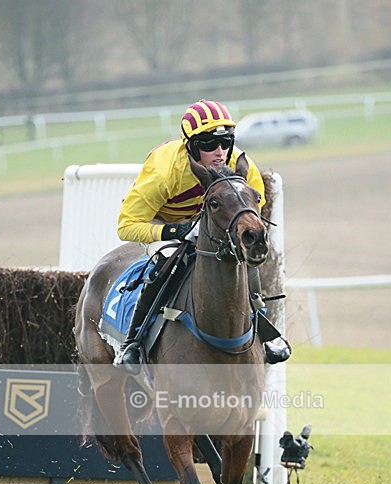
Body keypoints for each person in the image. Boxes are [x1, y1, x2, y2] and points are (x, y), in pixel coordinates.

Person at [116, 99, 291, 367]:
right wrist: (178, 230)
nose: (220, 152)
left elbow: (256, 204)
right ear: (191, 146)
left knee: (242, 258)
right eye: (208, 145)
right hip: (164, 222)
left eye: (226, 142)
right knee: (169, 261)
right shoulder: (164, 172)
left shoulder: (241, 164)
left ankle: (264, 330)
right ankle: (134, 342)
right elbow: (126, 226)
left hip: (213, 221)